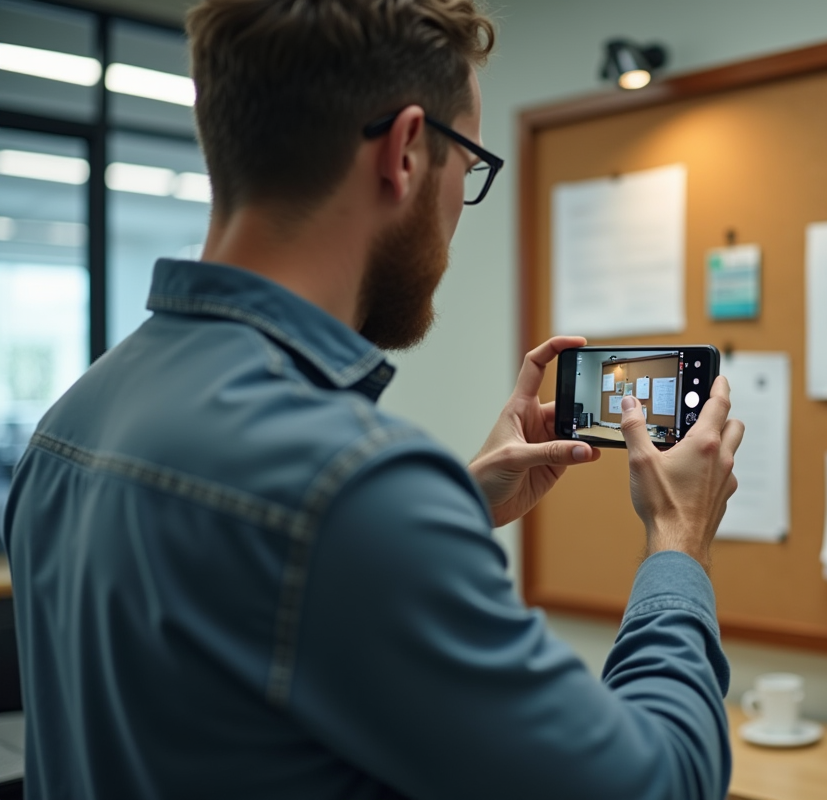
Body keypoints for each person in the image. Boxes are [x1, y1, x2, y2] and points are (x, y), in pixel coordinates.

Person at [1, 1, 745, 798]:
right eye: (470, 168)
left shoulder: (65, 427)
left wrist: (451, 503)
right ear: (405, 152)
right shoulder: (348, 485)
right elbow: (657, 783)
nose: (461, 211)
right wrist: (677, 540)